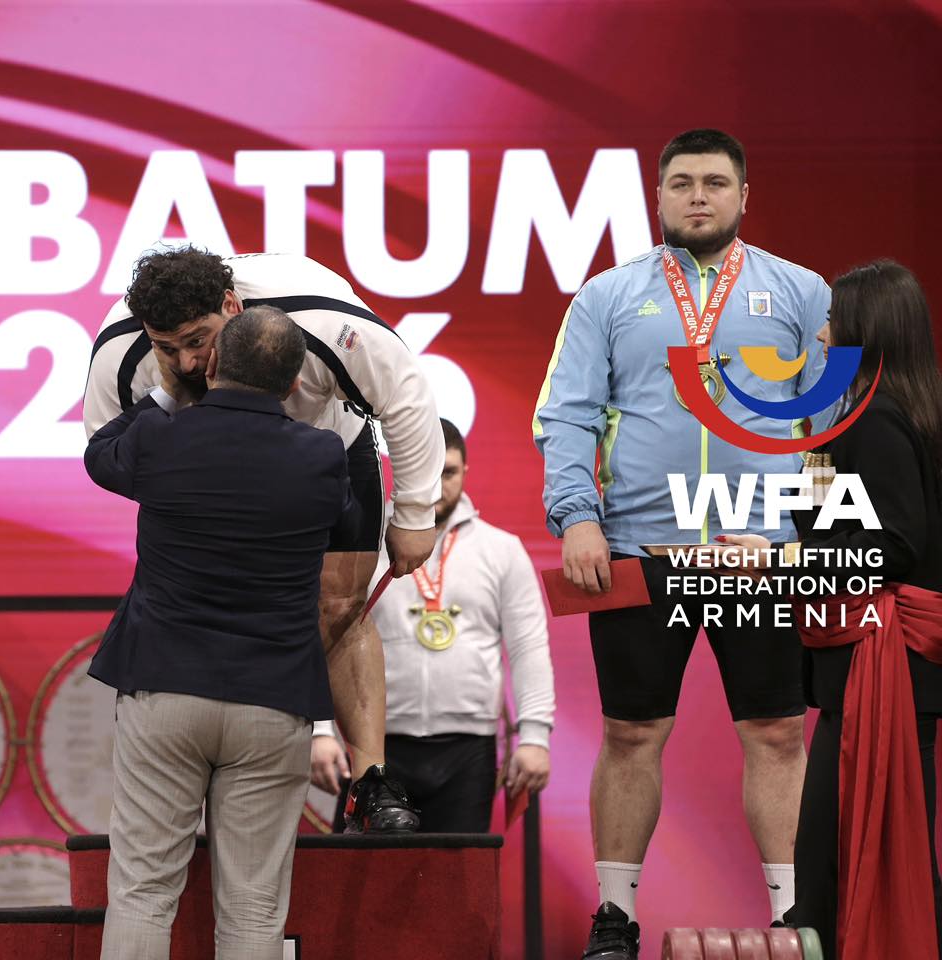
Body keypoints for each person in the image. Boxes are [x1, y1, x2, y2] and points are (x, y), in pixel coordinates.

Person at [532, 128, 833, 958]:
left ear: (744, 196)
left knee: (777, 734)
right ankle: (615, 917)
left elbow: (828, 429)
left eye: (715, 182)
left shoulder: (801, 291)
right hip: (641, 549)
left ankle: (793, 917)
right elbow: (566, 415)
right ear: (658, 196)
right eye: (681, 183)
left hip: (759, 553)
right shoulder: (605, 296)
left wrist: (806, 538)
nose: (698, 196)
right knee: (631, 734)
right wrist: (577, 517)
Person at [84, 247, 443, 833]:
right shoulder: (121, 350)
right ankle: (202, 762)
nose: (187, 360)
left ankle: (371, 778)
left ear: (231, 305)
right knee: (204, 602)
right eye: (166, 348)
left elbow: (405, 393)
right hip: (206, 471)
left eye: (197, 340)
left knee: (340, 605)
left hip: (325, 448)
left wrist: (416, 514)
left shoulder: (318, 318)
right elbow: (110, 455)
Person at [84, 305, 356, 959]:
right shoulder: (322, 455)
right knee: (255, 909)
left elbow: (99, 458)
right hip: (274, 699)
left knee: (143, 893)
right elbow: (342, 524)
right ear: (294, 382)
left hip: (164, 687)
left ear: (209, 364)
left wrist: (164, 394)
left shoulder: (161, 437)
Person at [711, 261, 942, 960]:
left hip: (884, 668)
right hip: (874, 670)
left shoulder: (880, 421)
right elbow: (832, 525)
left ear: (865, 329)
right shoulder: (884, 414)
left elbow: (892, 546)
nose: (820, 333)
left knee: (841, 868)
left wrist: (778, 560)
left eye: (834, 321)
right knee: (849, 862)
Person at [311, 419, 556, 832]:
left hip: (469, 749)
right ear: (407, 468)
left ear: (466, 471)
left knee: (457, 872)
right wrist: (319, 729)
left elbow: (528, 648)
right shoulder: (364, 543)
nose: (438, 485)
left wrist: (534, 737)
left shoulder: (502, 550)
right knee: (364, 871)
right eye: (429, 471)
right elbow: (327, 632)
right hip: (374, 744)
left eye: (450, 472)